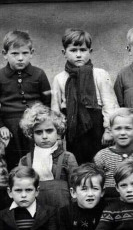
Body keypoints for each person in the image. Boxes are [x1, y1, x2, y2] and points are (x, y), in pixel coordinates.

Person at [51, 28, 119, 164]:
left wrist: (108, 130)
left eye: (82, 50)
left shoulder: (100, 74)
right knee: (76, 162)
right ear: (64, 53)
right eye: (73, 50)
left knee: (98, 160)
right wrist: (58, 135)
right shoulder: (60, 78)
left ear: (90, 52)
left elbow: (109, 104)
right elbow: (55, 109)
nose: (78, 55)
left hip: (96, 125)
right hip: (73, 125)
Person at [0, 30, 52, 168]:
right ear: (4, 54)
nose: (20, 58)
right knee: (13, 160)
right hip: (10, 126)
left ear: (32, 53)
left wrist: (42, 122)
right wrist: (1, 126)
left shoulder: (39, 74)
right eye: (14, 53)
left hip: (34, 124)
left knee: (36, 158)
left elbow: (47, 102)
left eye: (25, 53)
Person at [18, 103, 78, 209]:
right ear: (32, 134)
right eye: (39, 132)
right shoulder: (25, 161)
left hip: (63, 211)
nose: (44, 136)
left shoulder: (68, 158)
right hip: (37, 213)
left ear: (58, 131)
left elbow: (76, 186)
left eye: (49, 131)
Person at [93, 108, 133, 201]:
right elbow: (96, 183)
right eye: (118, 128)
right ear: (110, 131)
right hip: (110, 204)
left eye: (128, 128)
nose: (122, 133)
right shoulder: (102, 156)